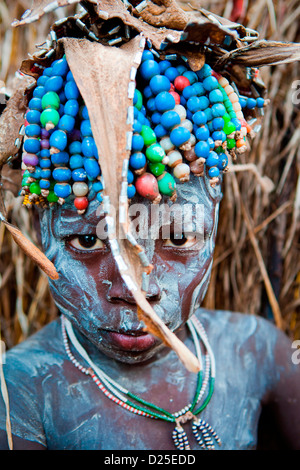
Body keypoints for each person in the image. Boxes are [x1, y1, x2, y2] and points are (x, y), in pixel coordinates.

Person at [0, 0, 299, 451]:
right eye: (87, 239)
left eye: (178, 237)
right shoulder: (19, 394)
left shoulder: (258, 352)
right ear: (40, 226)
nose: (137, 287)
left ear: (216, 214)